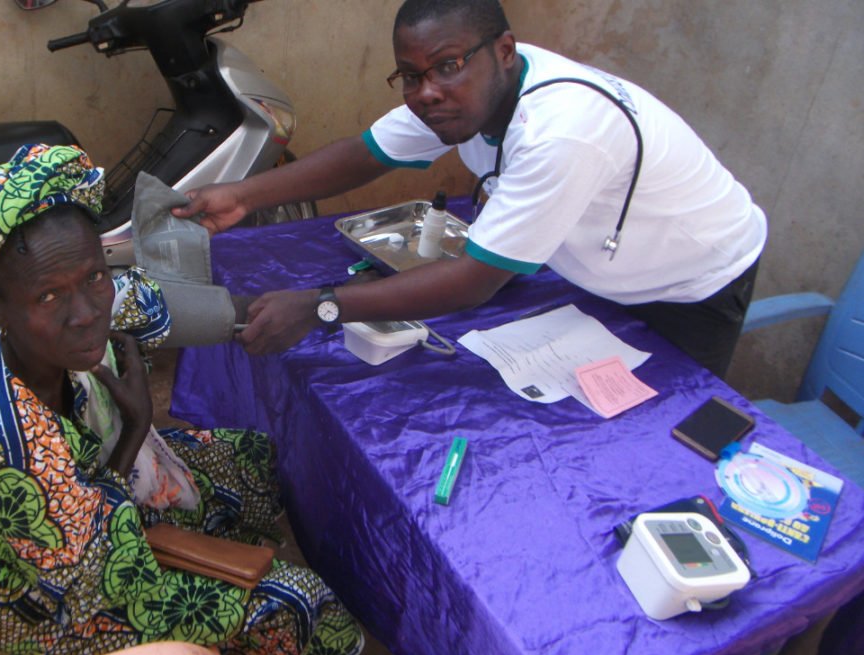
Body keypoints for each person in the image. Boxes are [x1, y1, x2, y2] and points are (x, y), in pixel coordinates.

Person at [0, 144, 364, 655]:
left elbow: (141, 298)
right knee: (293, 601)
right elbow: (97, 575)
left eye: (94, 277)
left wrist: (308, 308)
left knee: (248, 460)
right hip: (42, 608)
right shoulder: (2, 440)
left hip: (79, 513)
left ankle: (214, 564)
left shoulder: (44, 325)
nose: (87, 313)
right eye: (49, 297)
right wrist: (135, 426)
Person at [173, 0, 767, 378]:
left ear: (503, 52)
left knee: (656, 421)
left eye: (447, 66)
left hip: (690, 281)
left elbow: (473, 281)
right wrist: (244, 196)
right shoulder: (464, 90)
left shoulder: (563, 133)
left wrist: (321, 305)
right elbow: (366, 153)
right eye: (411, 76)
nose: (427, 92)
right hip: (601, 268)